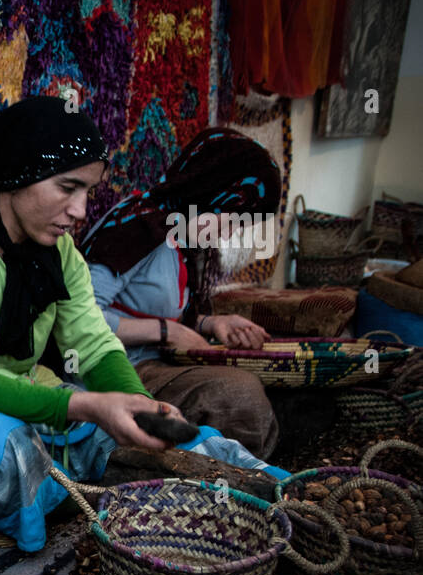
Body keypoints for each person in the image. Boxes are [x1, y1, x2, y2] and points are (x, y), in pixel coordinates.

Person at [0, 98, 279, 554]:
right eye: (68, 188)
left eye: (87, 192)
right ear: (16, 176)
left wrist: (139, 405)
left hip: (28, 410)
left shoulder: (58, 255)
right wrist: (91, 407)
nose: (81, 210)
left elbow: (96, 346)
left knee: (164, 440)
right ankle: (64, 494)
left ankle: (278, 496)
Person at [79, 127, 282, 459]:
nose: (230, 235)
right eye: (233, 220)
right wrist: (166, 332)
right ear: (212, 193)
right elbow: (77, 315)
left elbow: (156, 305)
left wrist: (210, 324)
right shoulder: (137, 227)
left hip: (155, 364)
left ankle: (232, 471)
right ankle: (229, 482)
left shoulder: (181, 239)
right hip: (111, 372)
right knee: (239, 395)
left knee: (269, 387)